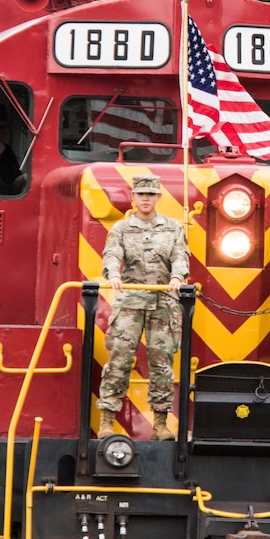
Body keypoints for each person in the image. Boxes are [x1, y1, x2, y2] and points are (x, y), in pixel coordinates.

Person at [97, 175, 189, 440]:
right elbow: (112, 254)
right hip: (130, 303)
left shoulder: (172, 228)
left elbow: (180, 256)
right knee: (119, 360)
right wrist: (113, 273)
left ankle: (160, 425)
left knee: (162, 364)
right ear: (133, 198)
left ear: (159, 197)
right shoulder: (121, 229)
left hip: (163, 303)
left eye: (151, 194)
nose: (146, 199)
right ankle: (107, 421)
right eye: (141, 194)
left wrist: (176, 276)